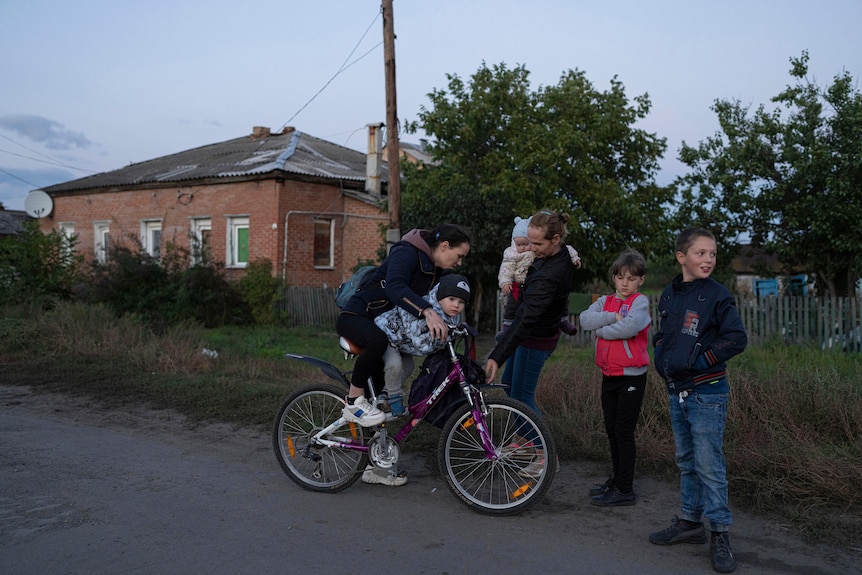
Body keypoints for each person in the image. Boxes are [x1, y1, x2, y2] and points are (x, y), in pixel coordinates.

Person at [648, 227, 747, 574]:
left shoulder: (718, 296)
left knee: (709, 464)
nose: (708, 259)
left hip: (707, 393)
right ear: (681, 257)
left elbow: (736, 338)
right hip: (677, 391)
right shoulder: (669, 294)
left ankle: (720, 531)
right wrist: (660, 354)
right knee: (687, 460)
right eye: (701, 253)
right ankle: (690, 523)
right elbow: (663, 333)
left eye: (713, 254)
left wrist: (700, 360)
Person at [336, 223, 472, 429]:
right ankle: (353, 401)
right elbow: (394, 287)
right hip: (358, 314)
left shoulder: (435, 270)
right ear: (444, 246)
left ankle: (375, 446)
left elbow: (445, 301)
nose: (460, 262)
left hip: (390, 327)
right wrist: (427, 312)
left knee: (399, 368)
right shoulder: (406, 252)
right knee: (377, 341)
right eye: (459, 255)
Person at [485, 210, 577, 478]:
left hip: (536, 339)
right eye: (529, 242)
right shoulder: (549, 255)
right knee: (511, 388)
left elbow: (525, 319)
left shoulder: (553, 273)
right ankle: (525, 442)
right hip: (527, 334)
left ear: (556, 239)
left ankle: (546, 455)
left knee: (522, 397)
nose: (531, 249)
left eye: (537, 244)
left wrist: (497, 355)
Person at [579, 249, 650, 507]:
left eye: (631, 278)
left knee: (623, 432)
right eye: (620, 277)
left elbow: (631, 326)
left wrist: (602, 332)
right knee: (611, 431)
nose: (625, 283)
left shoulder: (640, 303)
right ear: (613, 278)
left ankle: (625, 489)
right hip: (609, 375)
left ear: (640, 280)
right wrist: (611, 317)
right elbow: (586, 320)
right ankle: (617, 479)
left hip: (632, 377)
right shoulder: (606, 302)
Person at [374, 273, 471, 417]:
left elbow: (446, 330)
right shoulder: (424, 308)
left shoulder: (451, 314)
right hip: (386, 335)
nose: (456, 305)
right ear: (440, 296)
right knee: (394, 364)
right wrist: (446, 335)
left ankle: (383, 394)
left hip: (402, 343)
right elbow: (421, 344)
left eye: (461, 302)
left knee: (408, 366)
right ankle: (394, 399)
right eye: (452, 299)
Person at [496, 216, 582, 342]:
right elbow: (506, 268)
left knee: (561, 300)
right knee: (512, 306)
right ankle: (506, 327)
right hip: (518, 284)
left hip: (533, 284)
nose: (523, 248)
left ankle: (563, 321)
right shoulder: (511, 253)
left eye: (526, 243)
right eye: (518, 244)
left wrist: (575, 258)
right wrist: (505, 281)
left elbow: (567, 249)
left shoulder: (537, 249)